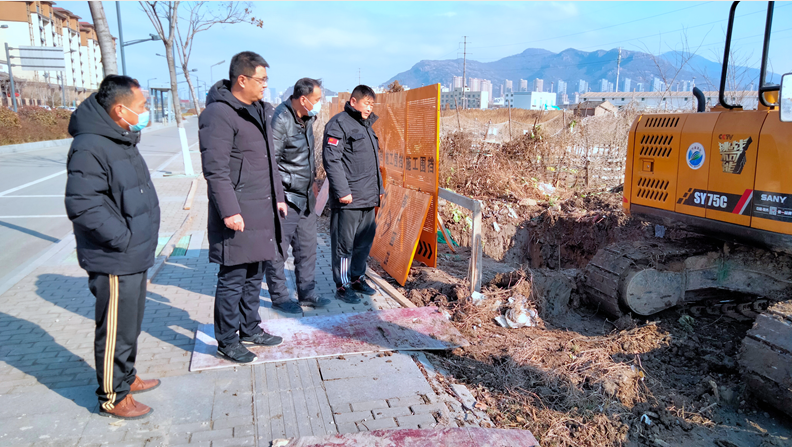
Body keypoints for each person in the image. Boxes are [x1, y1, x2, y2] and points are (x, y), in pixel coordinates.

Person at [64, 75, 161, 419]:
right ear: (120, 110)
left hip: (133, 254)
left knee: (130, 325)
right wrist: (124, 239)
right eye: (142, 106)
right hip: (115, 256)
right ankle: (113, 395)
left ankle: (127, 377)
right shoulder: (90, 145)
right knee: (116, 329)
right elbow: (83, 204)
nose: (146, 112)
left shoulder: (120, 138)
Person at [200, 52, 284, 364]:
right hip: (238, 211)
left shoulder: (258, 111)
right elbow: (216, 170)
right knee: (233, 278)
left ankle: (250, 328)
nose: (265, 85)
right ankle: (226, 340)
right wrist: (229, 211)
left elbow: (269, 162)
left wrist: (278, 197)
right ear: (242, 80)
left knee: (254, 276)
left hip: (261, 208)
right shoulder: (219, 114)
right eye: (261, 80)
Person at [264, 78, 332, 314]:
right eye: (317, 99)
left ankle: (307, 293)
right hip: (287, 198)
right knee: (278, 251)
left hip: (306, 196)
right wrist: (278, 197)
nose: (319, 104)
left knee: (307, 248)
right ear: (303, 99)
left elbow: (306, 157)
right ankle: (280, 298)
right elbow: (271, 163)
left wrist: (312, 184)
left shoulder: (307, 118)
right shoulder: (281, 119)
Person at [322, 85, 384, 303]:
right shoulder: (339, 124)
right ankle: (343, 285)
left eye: (372, 104)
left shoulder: (366, 127)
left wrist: (379, 190)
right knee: (344, 245)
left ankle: (357, 278)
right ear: (353, 101)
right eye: (366, 103)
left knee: (363, 243)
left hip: (367, 197)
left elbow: (372, 164)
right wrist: (342, 191)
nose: (369, 107)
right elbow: (332, 159)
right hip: (348, 199)